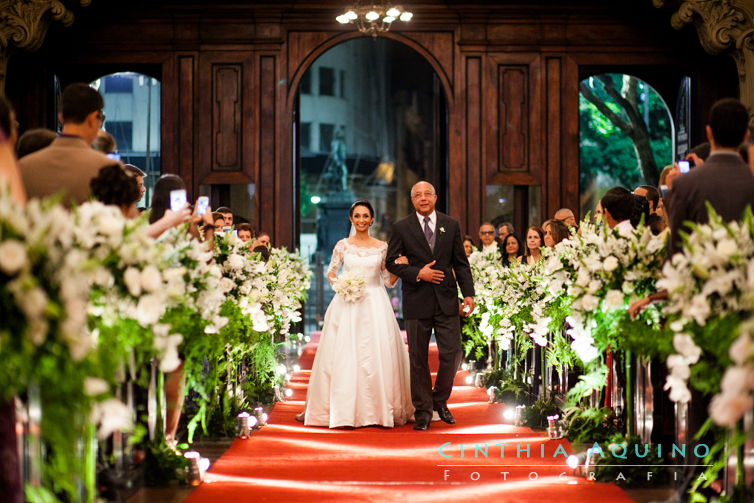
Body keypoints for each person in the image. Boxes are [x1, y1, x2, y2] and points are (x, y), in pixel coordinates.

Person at [301, 200, 413, 428]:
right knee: (344, 354)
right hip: (347, 303)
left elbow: (388, 282)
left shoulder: (382, 246)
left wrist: (401, 267)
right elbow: (331, 272)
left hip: (375, 303)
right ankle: (341, 409)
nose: (361, 220)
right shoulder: (343, 245)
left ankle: (378, 410)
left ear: (372, 219)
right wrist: (342, 285)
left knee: (376, 354)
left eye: (365, 216)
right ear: (351, 219)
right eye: (357, 216)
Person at [386, 181, 475, 431]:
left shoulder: (451, 224)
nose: (423, 198)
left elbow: (461, 263)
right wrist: (417, 273)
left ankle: (439, 400)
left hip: (447, 299)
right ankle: (423, 411)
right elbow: (391, 262)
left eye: (427, 194)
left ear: (435, 198)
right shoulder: (401, 227)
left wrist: (468, 294)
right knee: (418, 358)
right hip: (416, 300)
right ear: (411, 200)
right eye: (417, 195)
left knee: (452, 352)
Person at [19, 83, 111, 207]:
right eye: (101, 118)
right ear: (92, 118)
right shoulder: (109, 169)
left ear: (61, 118)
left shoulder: (22, 167)